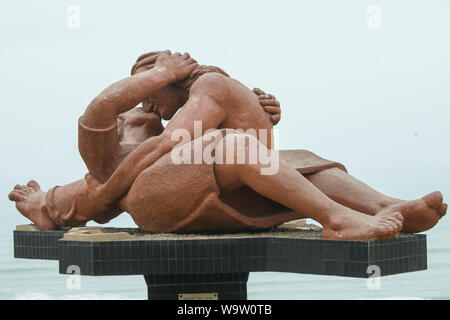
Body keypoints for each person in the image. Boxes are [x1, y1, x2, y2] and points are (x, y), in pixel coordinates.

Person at [9, 51, 447, 240]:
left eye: (154, 91)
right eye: (141, 91)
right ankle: (336, 219)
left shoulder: (200, 100)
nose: (148, 103)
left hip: (192, 190)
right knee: (232, 144)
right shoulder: (124, 123)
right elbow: (102, 111)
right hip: (156, 200)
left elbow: (184, 143)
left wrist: (253, 114)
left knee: (303, 160)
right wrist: (159, 75)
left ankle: (385, 205)